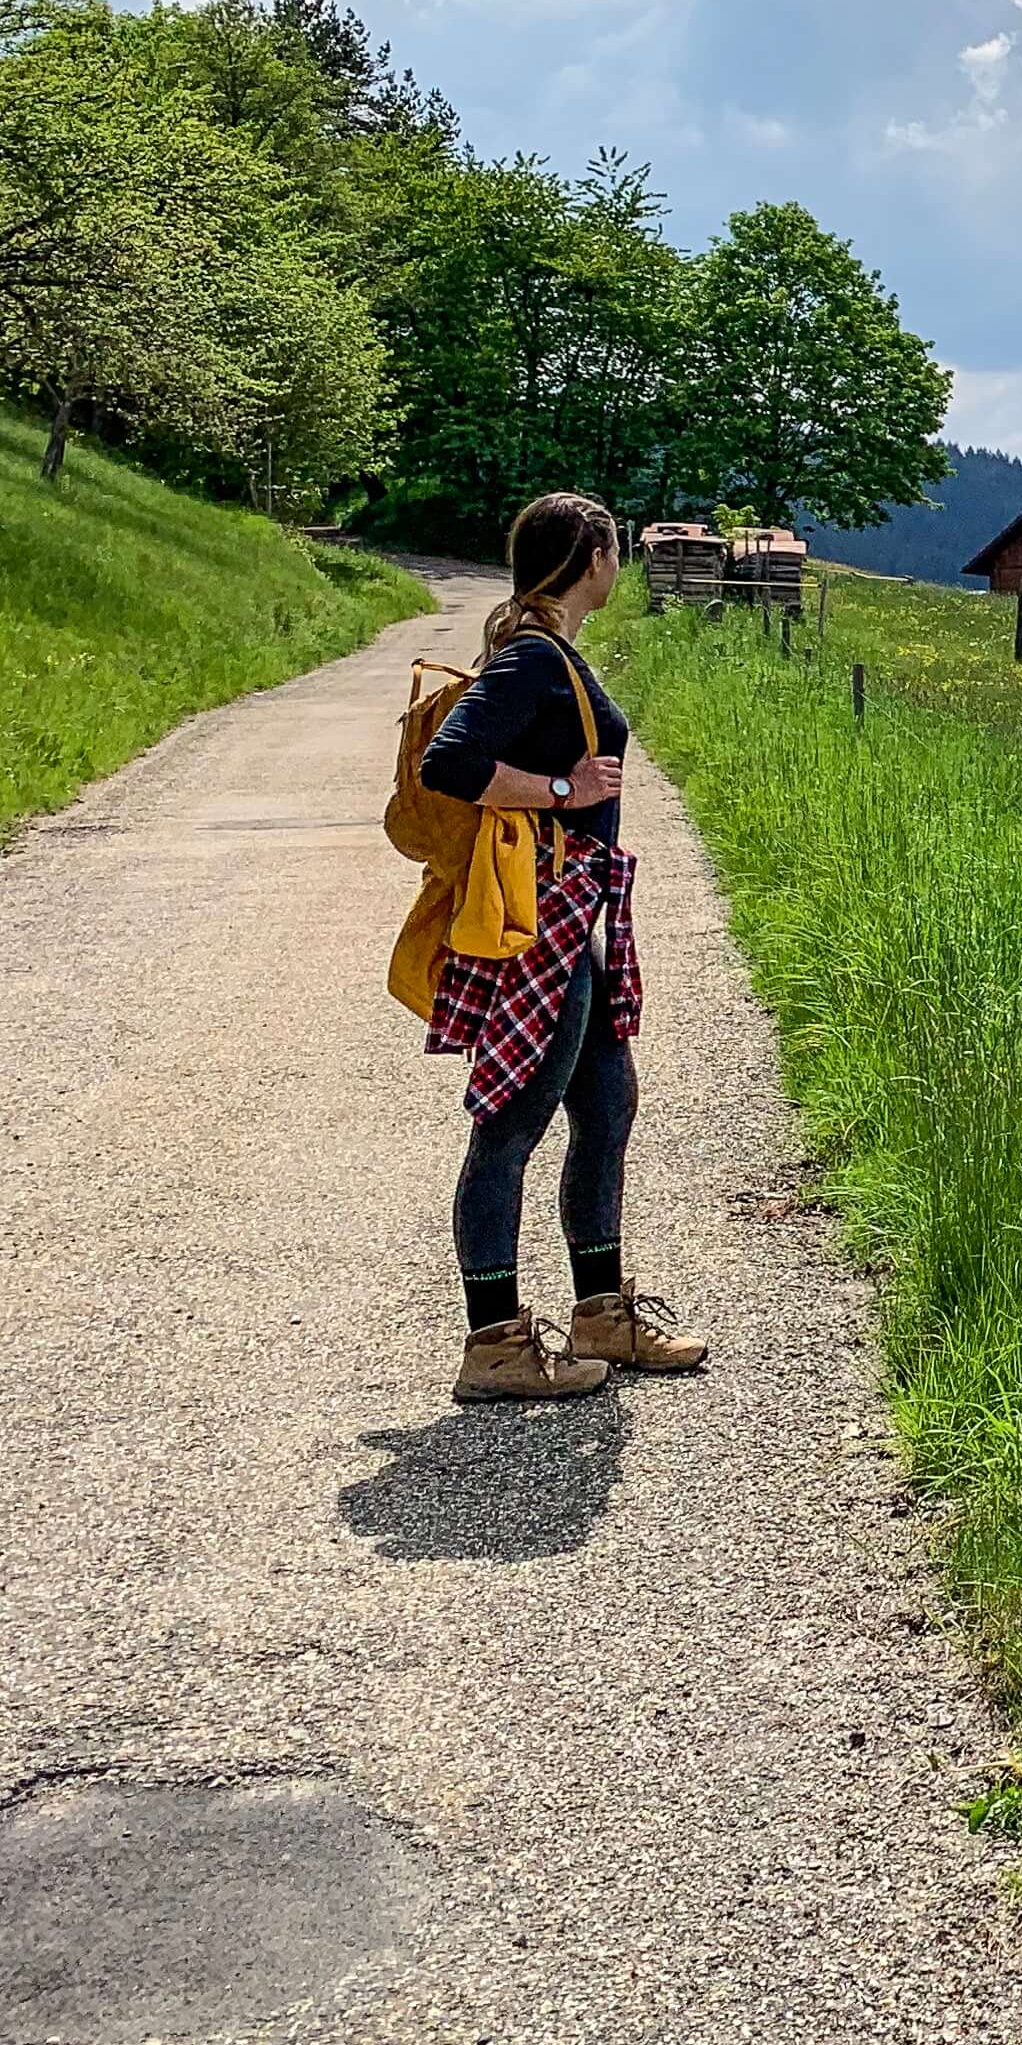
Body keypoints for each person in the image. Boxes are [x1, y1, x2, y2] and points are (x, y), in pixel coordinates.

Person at [415, 493, 709, 1404]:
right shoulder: (536, 657)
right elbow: (450, 764)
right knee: (511, 1123)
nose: (618, 569)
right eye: (614, 553)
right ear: (593, 557)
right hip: (541, 915)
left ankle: (599, 1313)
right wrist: (561, 786)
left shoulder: (547, 653)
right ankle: (494, 1342)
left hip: (574, 909)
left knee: (607, 1102)